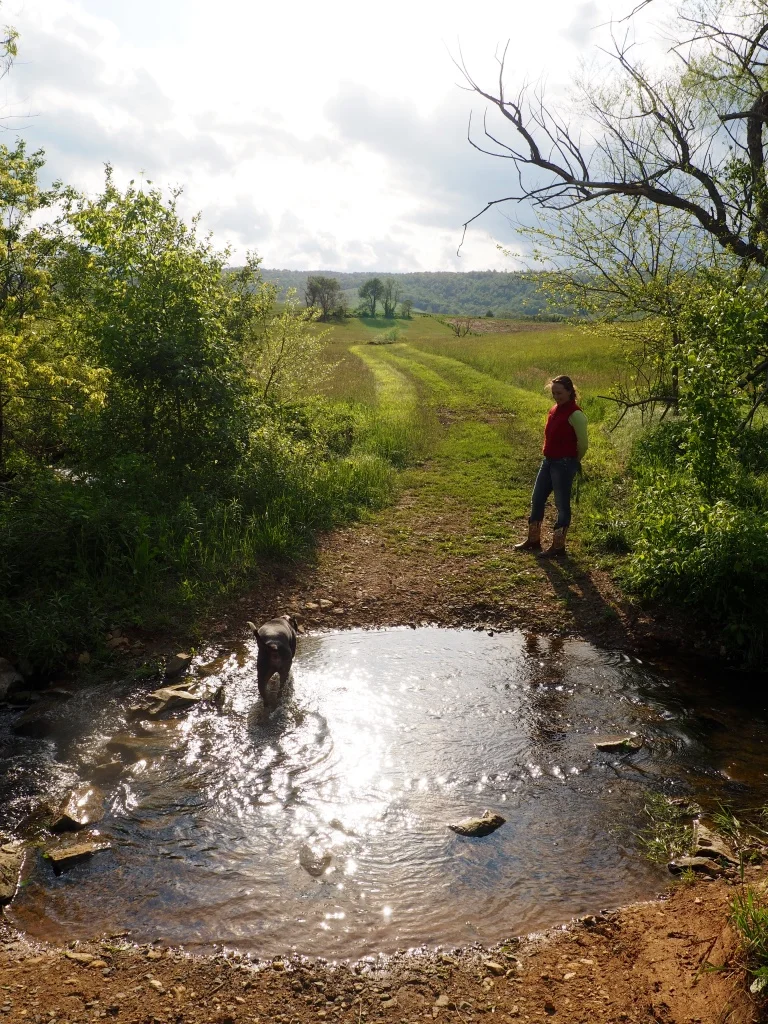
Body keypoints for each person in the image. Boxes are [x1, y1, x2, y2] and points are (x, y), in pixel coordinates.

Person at [514, 375, 588, 558]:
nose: (556, 396)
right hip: (548, 461)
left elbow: (583, 444)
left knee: (562, 505)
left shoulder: (576, 414)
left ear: (570, 391)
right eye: (554, 393)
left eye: (560, 393)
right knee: (537, 498)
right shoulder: (554, 409)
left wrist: (573, 461)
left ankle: (558, 546)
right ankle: (533, 539)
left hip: (564, 463)